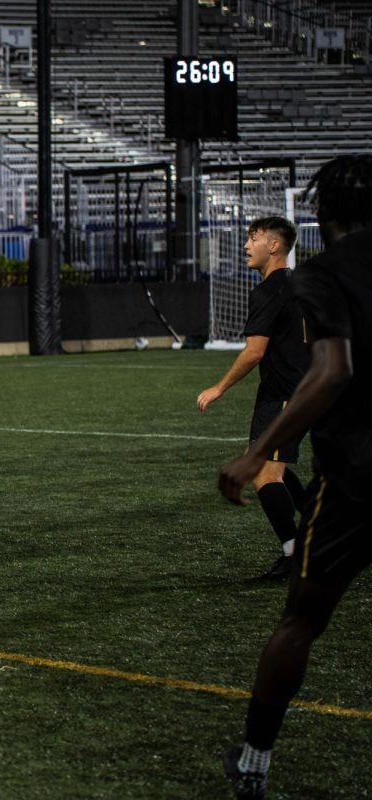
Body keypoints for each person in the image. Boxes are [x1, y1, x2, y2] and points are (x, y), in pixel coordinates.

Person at [217, 155, 372, 799]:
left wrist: (260, 453)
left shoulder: (323, 274)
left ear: (320, 213)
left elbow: (332, 371)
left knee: (301, 622)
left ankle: (254, 761)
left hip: (358, 476)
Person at [196, 216, 309, 580]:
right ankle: (318, 530)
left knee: (263, 474)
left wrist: (218, 387)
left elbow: (254, 352)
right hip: (302, 389)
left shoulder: (269, 290)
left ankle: (296, 555)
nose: (246, 246)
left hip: (283, 395)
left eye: (253, 238)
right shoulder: (302, 285)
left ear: (274, 246)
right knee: (262, 461)